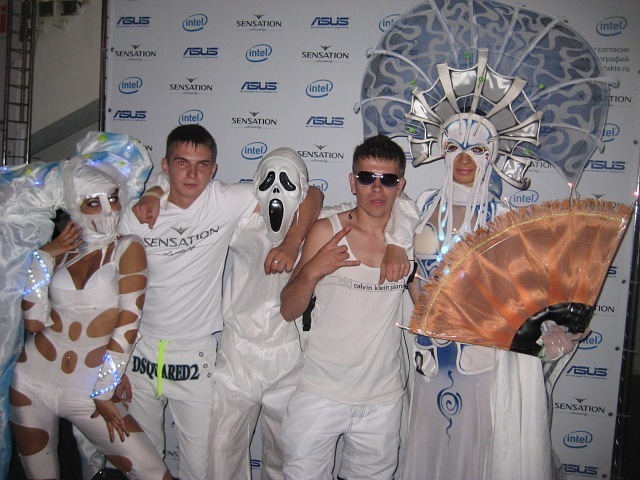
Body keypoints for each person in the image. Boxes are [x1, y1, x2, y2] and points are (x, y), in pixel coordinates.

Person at [118, 125, 323, 480]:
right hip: (186, 349)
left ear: (213, 169)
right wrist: (153, 191)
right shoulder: (147, 215)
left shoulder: (294, 222)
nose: (192, 173)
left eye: (202, 165)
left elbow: (313, 193)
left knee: (277, 455)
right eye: (182, 163)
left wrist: (292, 242)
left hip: (271, 353)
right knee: (199, 456)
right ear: (166, 165)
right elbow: (117, 285)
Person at [400, 113, 584, 480]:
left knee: (475, 444)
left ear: (492, 155)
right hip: (429, 352)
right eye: (454, 147)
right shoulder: (422, 204)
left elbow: (524, 292)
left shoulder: (502, 217)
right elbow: (411, 272)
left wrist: (552, 327)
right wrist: (421, 302)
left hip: (479, 354)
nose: (464, 158)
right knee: (429, 441)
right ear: (442, 151)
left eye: (477, 149)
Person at [9, 158, 171, 480]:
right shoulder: (62, 252)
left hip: (90, 387)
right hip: (32, 381)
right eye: (93, 202)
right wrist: (43, 257)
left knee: (154, 473)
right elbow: (34, 322)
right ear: (75, 206)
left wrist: (105, 388)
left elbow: (128, 324)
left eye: (112, 198)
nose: (108, 210)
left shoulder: (127, 247)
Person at [279, 134, 410, 480]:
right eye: (367, 178)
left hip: (382, 400)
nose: (377, 188)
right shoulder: (327, 231)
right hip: (320, 392)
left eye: (388, 180)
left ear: (400, 186)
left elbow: (430, 303)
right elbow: (288, 309)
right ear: (353, 182)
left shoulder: (409, 238)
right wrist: (313, 270)